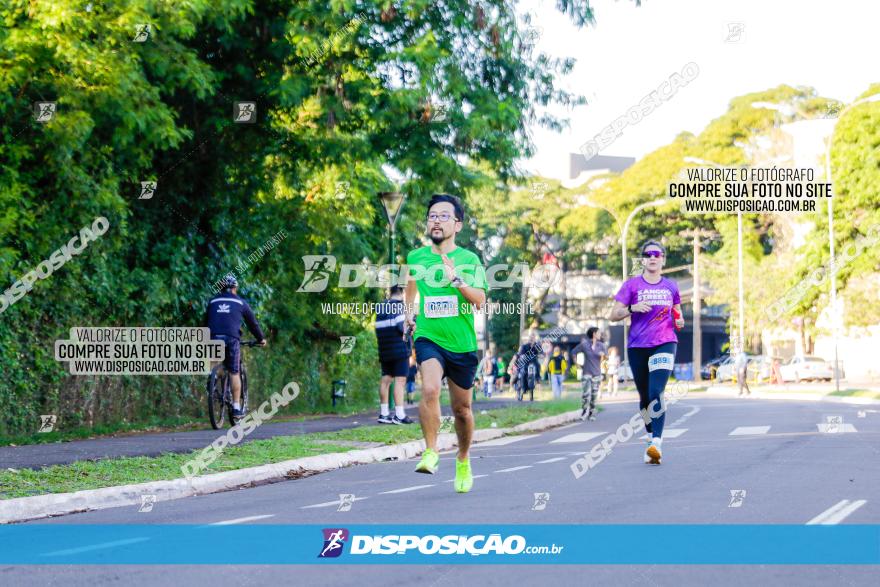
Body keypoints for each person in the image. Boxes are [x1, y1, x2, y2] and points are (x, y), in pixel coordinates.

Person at [404, 194, 487, 493]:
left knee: (462, 409)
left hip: (462, 342)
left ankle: (463, 459)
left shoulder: (469, 260)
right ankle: (431, 451)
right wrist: (409, 315)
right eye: (432, 216)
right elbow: (410, 289)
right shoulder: (416, 257)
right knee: (429, 389)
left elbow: (480, 301)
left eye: (443, 216)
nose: (436, 221)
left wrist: (457, 281)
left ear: (457, 224)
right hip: (429, 335)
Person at [610, 240, 684, 465]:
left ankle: (657, 443)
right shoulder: (631, 286)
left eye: (657, 254)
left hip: (665, 341)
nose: (652, 257)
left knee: (656, 392)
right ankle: (651, 436)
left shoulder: (671, 286)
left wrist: (679, 321)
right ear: (642, 259)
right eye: (648, 254)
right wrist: (631, 309)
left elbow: (678, 315)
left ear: (663, 259)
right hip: (638, 345)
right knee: (644, 397)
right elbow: (613, 315)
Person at [205, 274, 267, 421]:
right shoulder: (240, 303)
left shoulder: (212, 301)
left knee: (215, 362)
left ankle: (212, 378)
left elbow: (204, 322)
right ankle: (236, 407)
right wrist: (261, 339)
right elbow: (253, 324)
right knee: (234, 372)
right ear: (234, 288)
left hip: (213, 336)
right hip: (232, 338)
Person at [374, 286, 414, 424]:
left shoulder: (381, 307)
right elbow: (401, 327)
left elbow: (377, 327)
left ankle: (384, 414)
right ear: (402, 293)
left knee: (386, 379)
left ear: (390, 293)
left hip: (385, 348)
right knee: (400, 380)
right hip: (400, 349)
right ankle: (399, 414)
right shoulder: (400, 306)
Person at [571, 327, 605, 421]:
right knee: (586, 394)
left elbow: (606, 357)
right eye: (599, 333)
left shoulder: (601, 345)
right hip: (586, 372)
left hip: (597, 373)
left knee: (594, 395)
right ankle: (584, 411)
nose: (600, 334)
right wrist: (577, 364)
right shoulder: (584, 345)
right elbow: (573, 352)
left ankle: (591, 412)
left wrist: (603, 356)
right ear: (594, 334)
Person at [516, 331, 543, 399]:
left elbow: (541, 353)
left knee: (538, 366)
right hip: (526, 362)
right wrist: (522, 356)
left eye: (533, 337)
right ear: (529, 338)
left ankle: (538, 378)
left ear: (535, 338)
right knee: (523, 372)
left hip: (534, 362)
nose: (532, 338)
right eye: (531, 337)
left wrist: (541, 355)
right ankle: (523, 388)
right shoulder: (524, 346)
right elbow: (521, 353)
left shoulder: (537, 346)